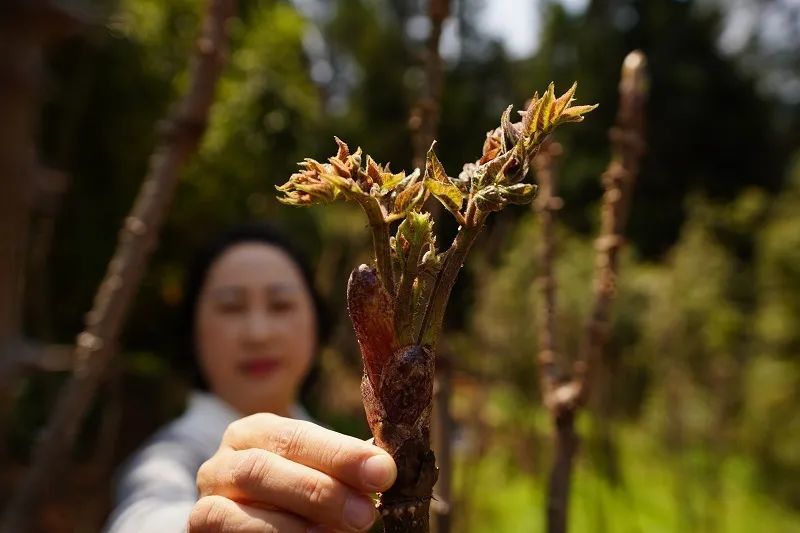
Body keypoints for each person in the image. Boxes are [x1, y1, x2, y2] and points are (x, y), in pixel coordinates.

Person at [104, 223, 396, 533]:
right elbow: (142, 516)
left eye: (281, 305)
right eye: (230, 307)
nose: (259, 334)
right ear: (192, 330)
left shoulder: (343, 443)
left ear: (316, 322)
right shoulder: (167, 458)